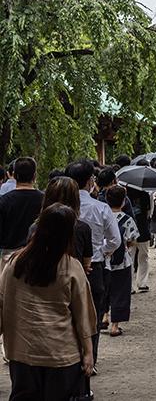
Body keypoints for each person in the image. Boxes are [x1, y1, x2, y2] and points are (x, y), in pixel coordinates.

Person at [0, 204, 97, 400]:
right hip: (60, 352)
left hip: (22, 351)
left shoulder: (15, 264)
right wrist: (88, 352)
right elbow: (83, 314)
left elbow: (3, 303)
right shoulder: (70, 267)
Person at [65, 158, 121, 368]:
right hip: (94, 267)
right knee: (93, 316)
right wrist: (102, 251)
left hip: (63, 267)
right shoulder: (101, 208)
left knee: (67, 314)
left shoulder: (58, 208)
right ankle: (91, 360)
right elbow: (115, 239)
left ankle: (69, 359)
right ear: (90, 181)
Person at [104, 186, 138, 337]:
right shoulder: (127, 219)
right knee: (120, 292)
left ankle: (104, 316)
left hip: (103, 260)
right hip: (122, 261)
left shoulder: (102, 216)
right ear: (123, 202)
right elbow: (132, 239)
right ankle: (115, 325)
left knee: (104, 289)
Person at [39, 176, 93, 272]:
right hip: (72, 279)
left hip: (40, 280)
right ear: (75, 199)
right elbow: (86, 262)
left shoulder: (36, 227)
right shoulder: (82, 228)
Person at [0, 157, 44, 268]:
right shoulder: (44, 200)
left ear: (14, 175)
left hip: (8, 259)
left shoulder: (4, 200)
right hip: (36, 258)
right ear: (34, 176)